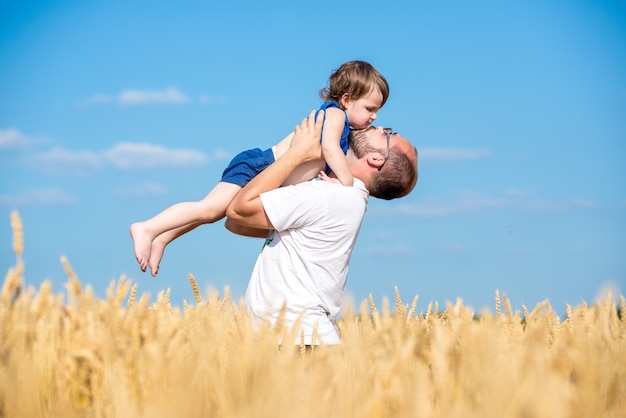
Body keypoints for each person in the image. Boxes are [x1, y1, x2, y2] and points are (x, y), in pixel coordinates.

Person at [130, 61, 389, 276]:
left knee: (213, 213)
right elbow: (330, 149)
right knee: (209, 208)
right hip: (260, 166)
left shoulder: (343, 122)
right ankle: (147, 227)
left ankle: (163, 237)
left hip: (267, 172)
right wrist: (345, 184)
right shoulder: (336, 115)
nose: (374, 116)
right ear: (346, 99)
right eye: (370, 109)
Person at [226, 110, 418, 345]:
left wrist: (296, 154)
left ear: (376, 158)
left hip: (297, 344)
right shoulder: (344, 197)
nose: (379, 127)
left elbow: (238, 210)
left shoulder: (330, 196)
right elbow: (238, 223)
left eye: (388, 134)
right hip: (297, 341)